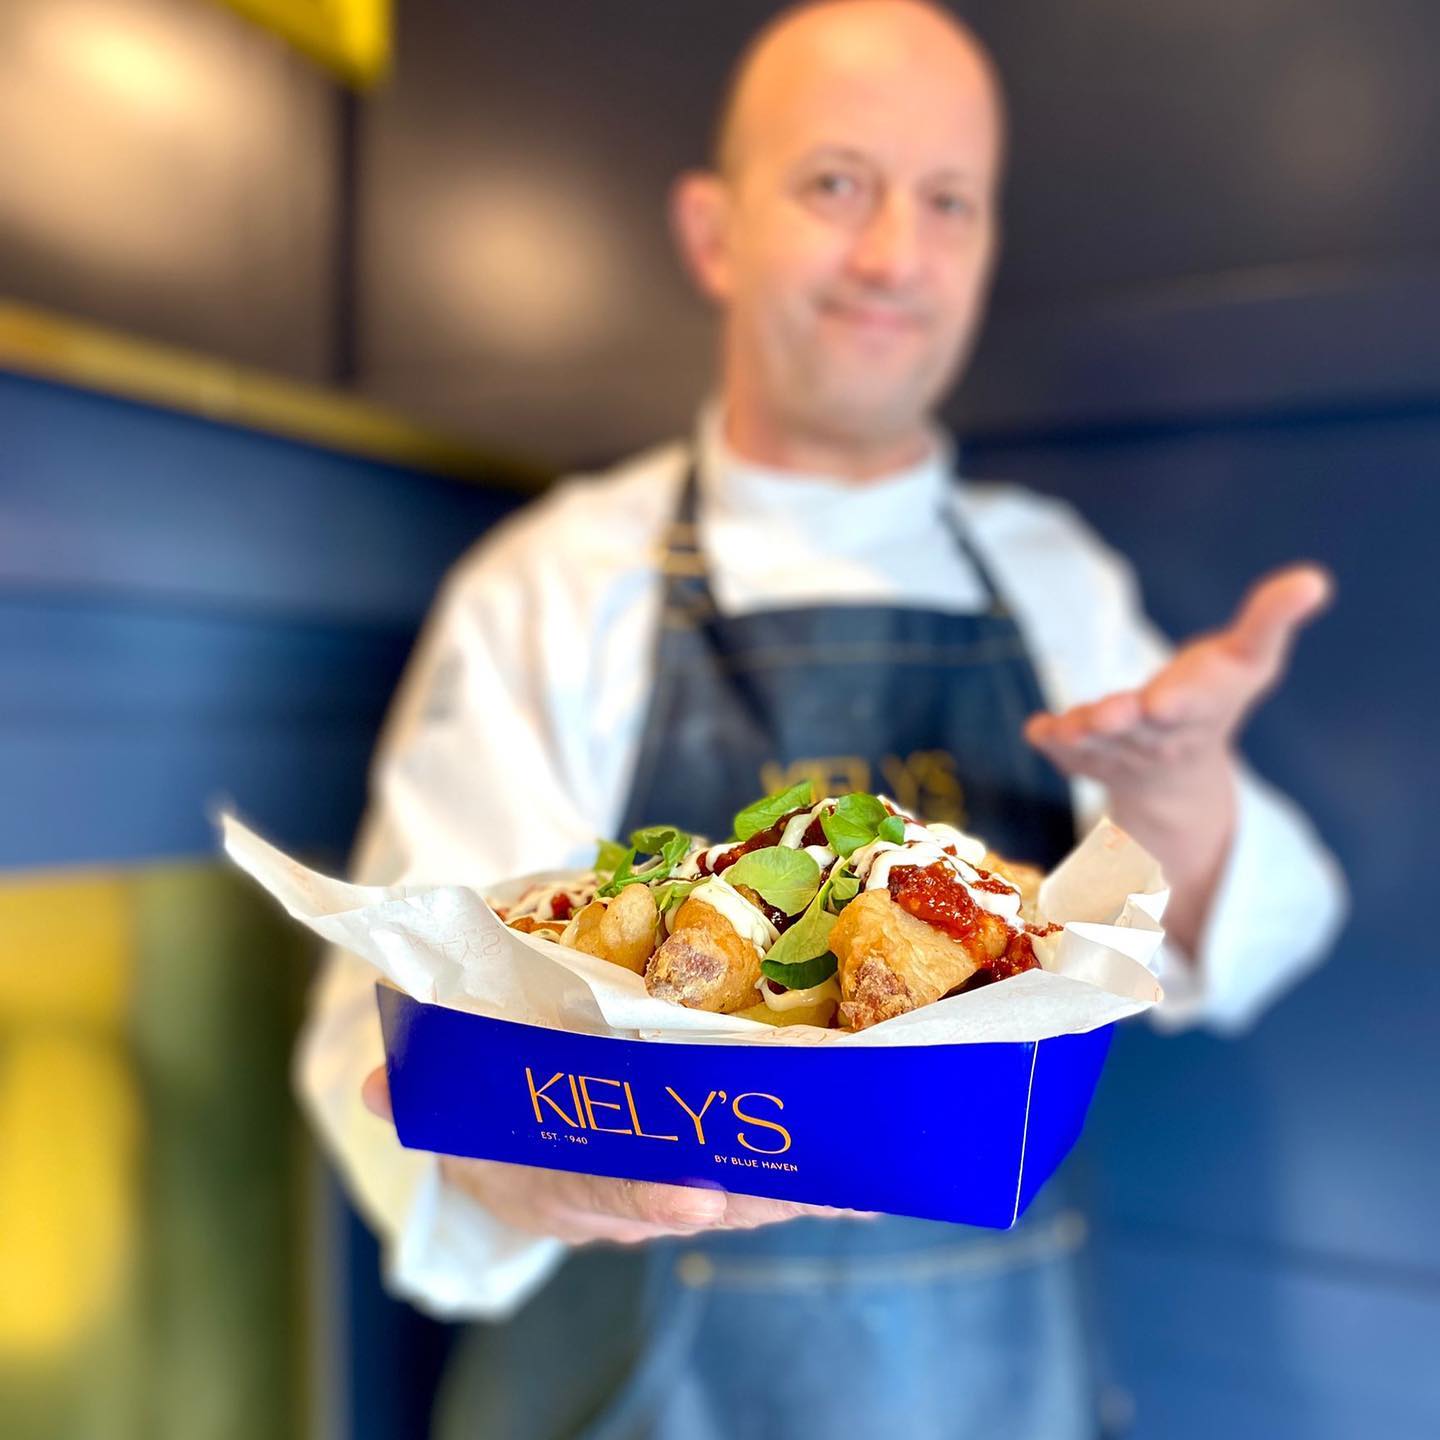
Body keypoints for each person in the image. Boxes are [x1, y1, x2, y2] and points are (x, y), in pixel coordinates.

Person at [298, 2, 1347, 1435]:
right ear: (716, 230)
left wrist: (1176, 796)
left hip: (1001, 1387)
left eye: (948, 202)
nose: (892, 256)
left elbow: (1224, 942)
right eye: (835, 184)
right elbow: (394, 1011)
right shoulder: (553, 586)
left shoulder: (1050, 576)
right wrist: (508, 1162)